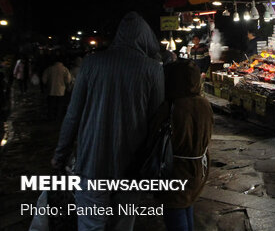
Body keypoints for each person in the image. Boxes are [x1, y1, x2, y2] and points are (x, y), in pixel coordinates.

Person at [52, 12, 165, 230]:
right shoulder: (153, 69)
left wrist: (60, 154)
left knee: (91, 224)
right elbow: (156, 123)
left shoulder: (91, 63)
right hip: (132, 167)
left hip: (92, 163)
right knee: (123, 225)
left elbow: (73, 114)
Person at [150, 59, 213, 231]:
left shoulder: (172, 106)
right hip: (199, 165)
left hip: (176, 169)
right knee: (187, 203)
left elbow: (156, 134)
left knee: (175, 209)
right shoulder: (204, 103)